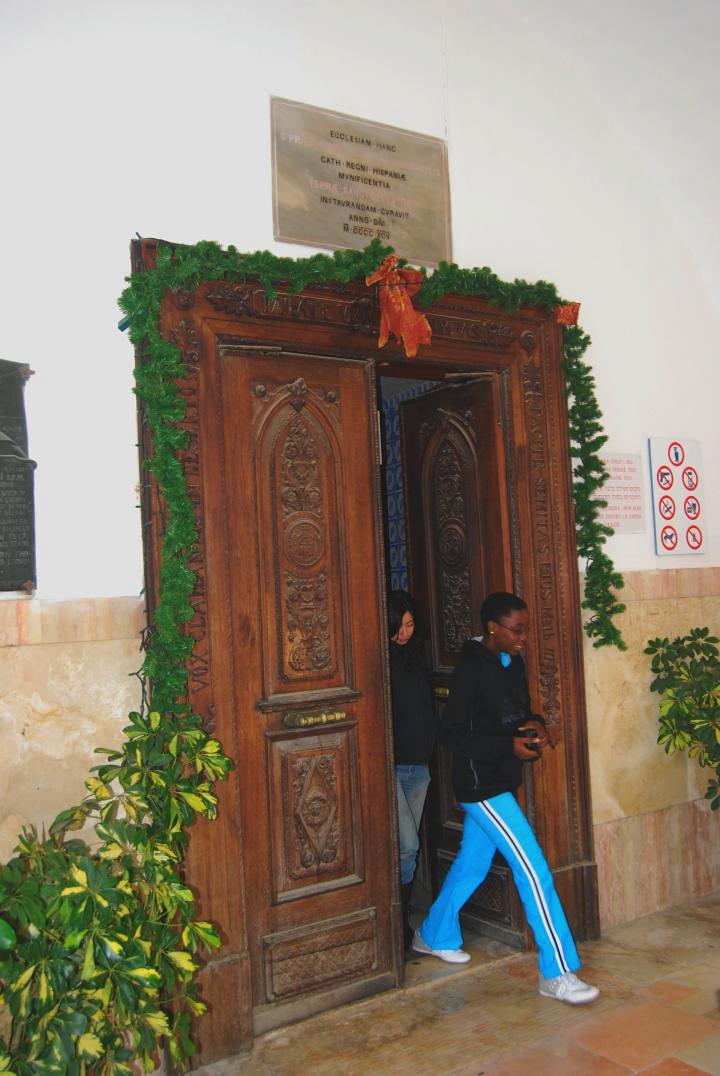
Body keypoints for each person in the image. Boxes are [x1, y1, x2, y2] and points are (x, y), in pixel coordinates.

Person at [412, 592, 600, 1006]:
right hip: (482, 787)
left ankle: (432, 933)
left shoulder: (512, 660)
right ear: (493, 627)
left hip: (502, 779)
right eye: (516, 630)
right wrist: (506, 747)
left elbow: (521, 711)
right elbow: (452, 735)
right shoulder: (468, 672)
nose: (523, 638)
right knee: (534, 870)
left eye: (525, 629)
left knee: (473, 863)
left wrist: (536, 726)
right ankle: (557, 972)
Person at [388, 590, 439, 950]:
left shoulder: (415, 658)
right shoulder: (379, 659)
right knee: (407, 845)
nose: (404, 632)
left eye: (409, 624)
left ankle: (401, 921)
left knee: (408, 848)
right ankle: (395, 925)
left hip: (418, 765)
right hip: (389, 766)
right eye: (398, 626)